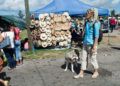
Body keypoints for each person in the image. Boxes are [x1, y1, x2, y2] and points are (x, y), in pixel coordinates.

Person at [74, 8, 100, 79]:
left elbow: (96, 35)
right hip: (85, 43)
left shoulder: (96, 23)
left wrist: (94, 46)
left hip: (92, 44)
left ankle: (96, 71)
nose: (86, 14)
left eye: (88, 12)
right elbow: (84, 33)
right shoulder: (87, 22)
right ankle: (81, 73)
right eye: (87, 12)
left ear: (92, 14)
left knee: (93, 58)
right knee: (83, 58)